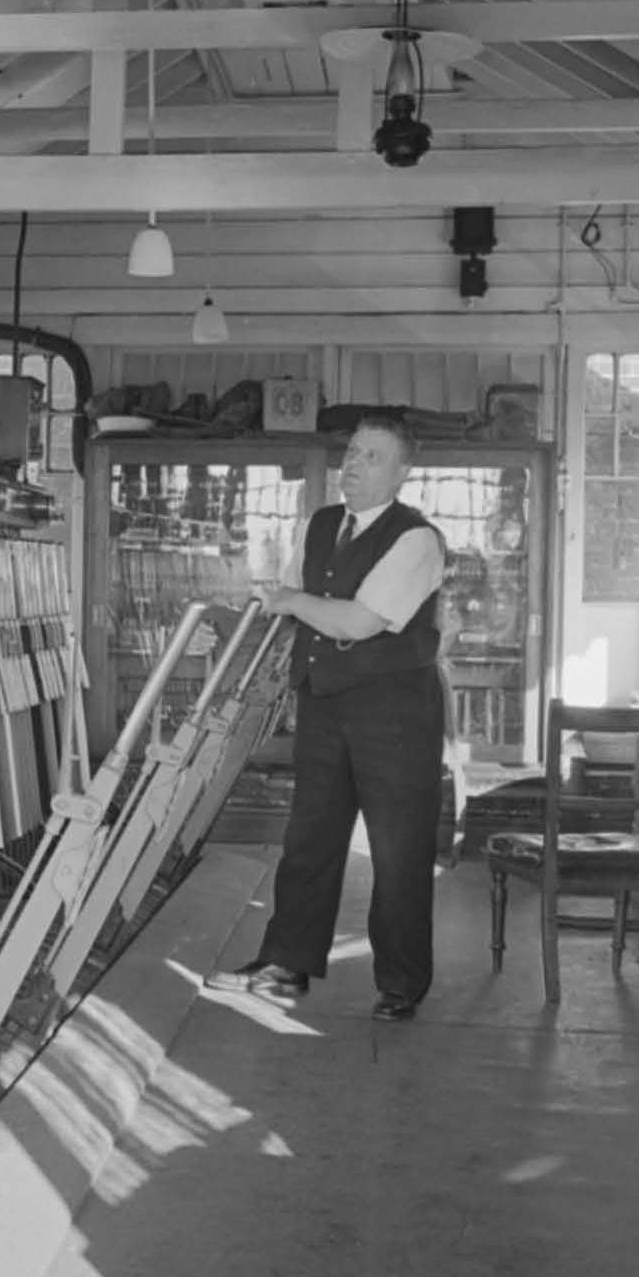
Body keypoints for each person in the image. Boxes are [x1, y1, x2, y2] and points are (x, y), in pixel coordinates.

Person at [204, 415, 447, 1020]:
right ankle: (285, 962)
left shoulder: (417, 539)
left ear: (401, 473)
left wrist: (288, 602)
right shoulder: (318, 526)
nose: (355, 466)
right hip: (324, 703)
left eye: (373, 457)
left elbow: (358, 621)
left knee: (398, 851)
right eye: (353, 454)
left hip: (395, 717)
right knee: (309, 838)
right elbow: (295, 607)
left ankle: (400, 983)